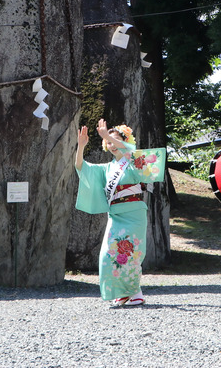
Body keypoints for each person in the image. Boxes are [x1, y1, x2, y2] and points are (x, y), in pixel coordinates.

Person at [74, 119, 148, 307]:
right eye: (108, 142)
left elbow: (130, 150)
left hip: (134, 214)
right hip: (115, 216)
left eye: (115, 141)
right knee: (108, 256)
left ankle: (135, 293)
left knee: (131, 254)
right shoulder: (107, 168)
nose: (111, 144)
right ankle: (121, 293)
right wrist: (81, 146)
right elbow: (81, 167)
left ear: (124, 142)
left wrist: (107, 135)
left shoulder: (132, 161)